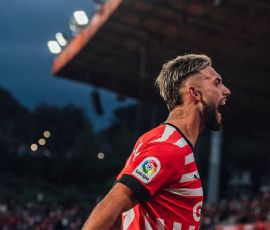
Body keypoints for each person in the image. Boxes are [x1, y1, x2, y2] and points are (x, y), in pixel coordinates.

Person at [83, 54, 231, 230]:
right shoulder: (169, 148)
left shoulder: (162, 139)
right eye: (216, 82)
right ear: (194, 93)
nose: (226, 90)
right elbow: (111, 205)